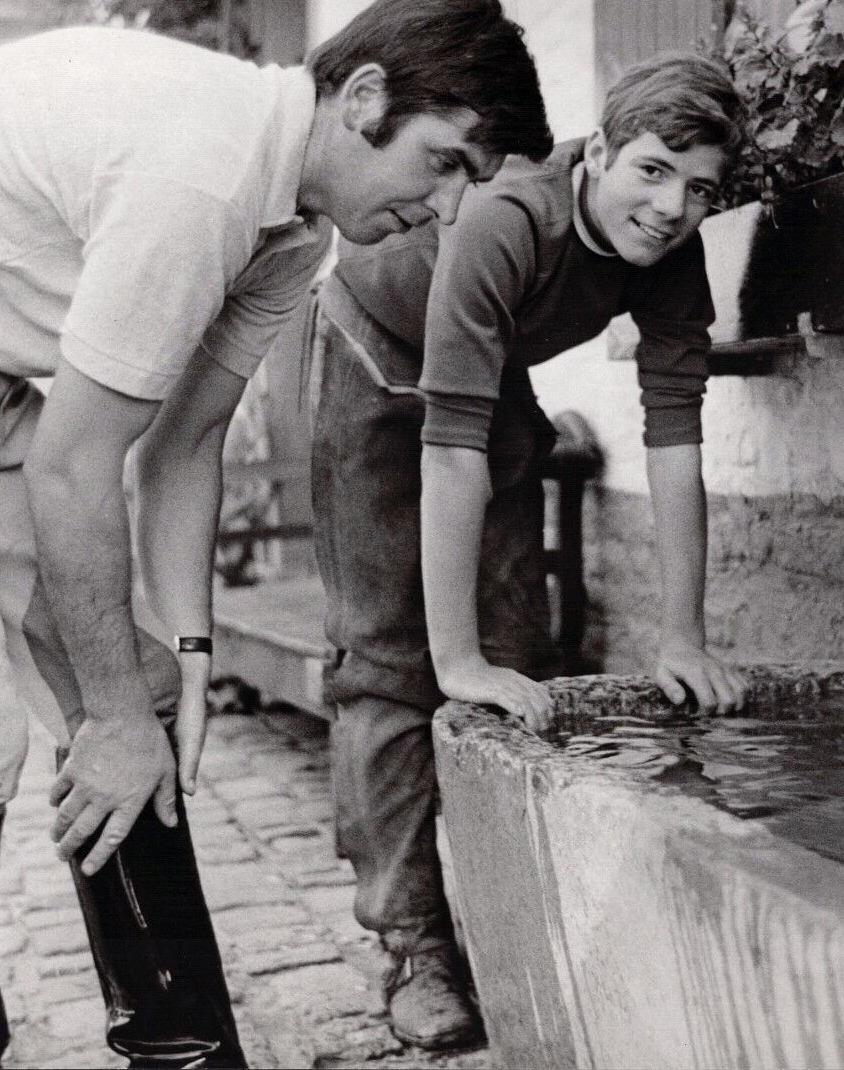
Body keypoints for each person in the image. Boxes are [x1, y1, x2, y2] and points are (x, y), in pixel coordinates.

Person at [0, 0, 551, 1069]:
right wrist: (107, 715)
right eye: (443, 163)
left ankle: (181, 1046)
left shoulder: (291, 233)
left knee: (135, 690)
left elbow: (183, 441)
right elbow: (75, 466)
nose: (443, 210)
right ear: (365, 98)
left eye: (469, 186)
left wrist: (183, 664)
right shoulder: (202, 174)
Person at [308, 51, 753, 1050]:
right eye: (651, 170)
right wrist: (452, 659)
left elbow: (677, 441)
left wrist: (683, 637)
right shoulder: (509, 218)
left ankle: (516, 910)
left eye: (698, 189)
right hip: (371, 349)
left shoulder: (674, 253)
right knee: (388, 659)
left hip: (481, 362)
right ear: (597, 152)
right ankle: (413, 941)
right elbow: (452, 457)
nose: (670, 207)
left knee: (523, 647)